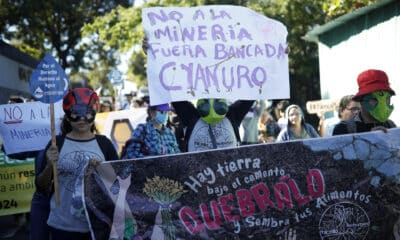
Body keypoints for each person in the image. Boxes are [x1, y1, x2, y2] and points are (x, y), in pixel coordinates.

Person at [35, 87, 118, 240]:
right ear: (67, 115)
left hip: (97, 224)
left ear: (94, 113)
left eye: (87, 113)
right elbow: (41, 187)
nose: (82, 118)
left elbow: (117, 183)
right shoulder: (56, 144)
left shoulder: (104, 144)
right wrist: (48, 166)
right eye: (76, 113)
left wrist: (100, 171)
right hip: (62, 225)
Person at [172, 99, 254, 152]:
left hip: (229, 172)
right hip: (198, 175)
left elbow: (251, 94)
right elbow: (173, 94)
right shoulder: (190, 115)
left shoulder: (233, 115)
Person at [333, 69, 396, 135]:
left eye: (387, 98)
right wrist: (369, 139)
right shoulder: (343, 129)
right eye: (374, 99)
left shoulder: (391, 126)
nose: (383, 104)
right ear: (361, 100)